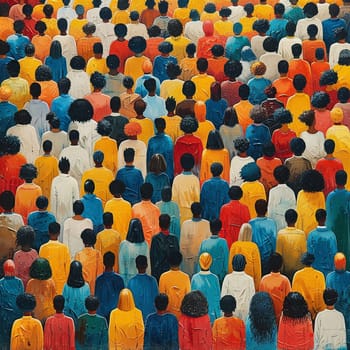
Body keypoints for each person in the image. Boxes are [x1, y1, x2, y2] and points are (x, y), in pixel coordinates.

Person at [326, 170, 350, 269]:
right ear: (346, 181)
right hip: (345, 228)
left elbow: (328, 213)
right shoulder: (348, 195)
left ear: (335, 181)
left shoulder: (330, 196)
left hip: (333, 227)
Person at [292, 252, 326, 320]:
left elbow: (294, 295)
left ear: (302, 261)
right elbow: (322, 295)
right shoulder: (320, 275)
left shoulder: (297, 275)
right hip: (317, 313)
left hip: (302, 313)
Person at [326, 253, 350, 347]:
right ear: (345, 263)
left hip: (334, 313)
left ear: (334, 264)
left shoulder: (329, 277)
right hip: (347, 313)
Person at [39, 222, 70, 295]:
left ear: (48, 232)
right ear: (59, 233)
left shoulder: (43, 248)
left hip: (46, 284)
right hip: (61, 284)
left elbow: (41, 267)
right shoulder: (64, 248)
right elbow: (68, 268)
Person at [221, 254, 255, 321]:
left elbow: (223, 297)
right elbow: (252, 298)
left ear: (232, 265)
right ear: (244, 265)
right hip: (245, 313)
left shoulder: (227, 278)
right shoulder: (249, 279)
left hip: (230, 313)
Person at [259, 252, 291, 322]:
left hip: (267, 317)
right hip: (282, 318)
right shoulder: (285, 280)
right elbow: (289, 300)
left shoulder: (264, 280)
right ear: (281, 265)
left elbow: (261, 300)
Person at [159, 251, 191, 319]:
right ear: (180, 261)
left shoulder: (163, 277)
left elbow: (161, 297)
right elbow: (188, 297)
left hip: (167, 315)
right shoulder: (185, 277)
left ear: (169, 261)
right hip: (181, 315)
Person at [276, 209, 306, 280]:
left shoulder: (280, 234)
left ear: (286, 220)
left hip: (284, 272)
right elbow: (304, 254)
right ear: (296, 219)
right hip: (298, 272)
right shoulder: (301, 234)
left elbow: (278, 255)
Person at [0, 260, 24, 350]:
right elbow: (21, 298)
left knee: (5, 339)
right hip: (16, 314)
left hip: (4, 316)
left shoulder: (1, 283)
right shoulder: (19, 282)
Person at [191, 252, 221, 324]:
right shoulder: (215, 278)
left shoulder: (195, 278)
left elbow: (192, 299)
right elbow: (217, 298)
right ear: (210, 262)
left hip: (198, 316)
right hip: (212, 317)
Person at [128, 255, 159, 322]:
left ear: (136, 266)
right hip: (151, 317)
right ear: (147, 265)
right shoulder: (153, 281)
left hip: (135, 318)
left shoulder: (131, 282)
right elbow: (157, 299)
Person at [197, 219, 229, 285]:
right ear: (220, 229)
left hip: (205, 277)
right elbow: (226, 262)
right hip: (219, 278)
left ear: (210, 228)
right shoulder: (223, 242)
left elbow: (199, 261)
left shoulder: (204, 243)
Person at [250, 199, 277, 276]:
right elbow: (274, 241)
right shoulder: (271, 223)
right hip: (268, 257)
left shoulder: (251, 223)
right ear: (266, 209)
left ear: (255, 209)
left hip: (254, 257)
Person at [307, 209, 337, 278]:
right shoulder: (331, 235)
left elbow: (309, 254)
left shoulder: (311, 235)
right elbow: (334, 254)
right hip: (328, 272)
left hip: (314, 272)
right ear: (325, 218)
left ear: (316, 218)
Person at [119, 218, 150, 285]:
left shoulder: (124, 245)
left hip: (129, 280)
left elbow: (121, 267)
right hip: (137, 280)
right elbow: (148, 267)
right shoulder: (144, 244)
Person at [51, 157, 80, 227]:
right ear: (69, 168)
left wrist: (54, 218)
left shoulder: (55, 181)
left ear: (59, 168)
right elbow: (77, 201)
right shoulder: (73, 181)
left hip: (58, 217)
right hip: (71, 217)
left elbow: (53, 201)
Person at [150, 214, 180, 282]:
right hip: (172, 273)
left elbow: (153, 259)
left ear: (159, 224)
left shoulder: (155, 239)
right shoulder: (174, 239)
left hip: (159, 275)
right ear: (169, 224)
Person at [172, 153, 200, 224]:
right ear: (193, 165)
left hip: (179, 214)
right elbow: (197, 199)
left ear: (181, 164)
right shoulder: (195, 179)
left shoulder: (177, 179)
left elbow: (174, 198)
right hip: (192, 213)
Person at [62, 261, 90, 327]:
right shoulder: (86, 287)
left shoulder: (66, 286)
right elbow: (87, 306)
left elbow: (64, 305)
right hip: (83, 321)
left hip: (69, 321)